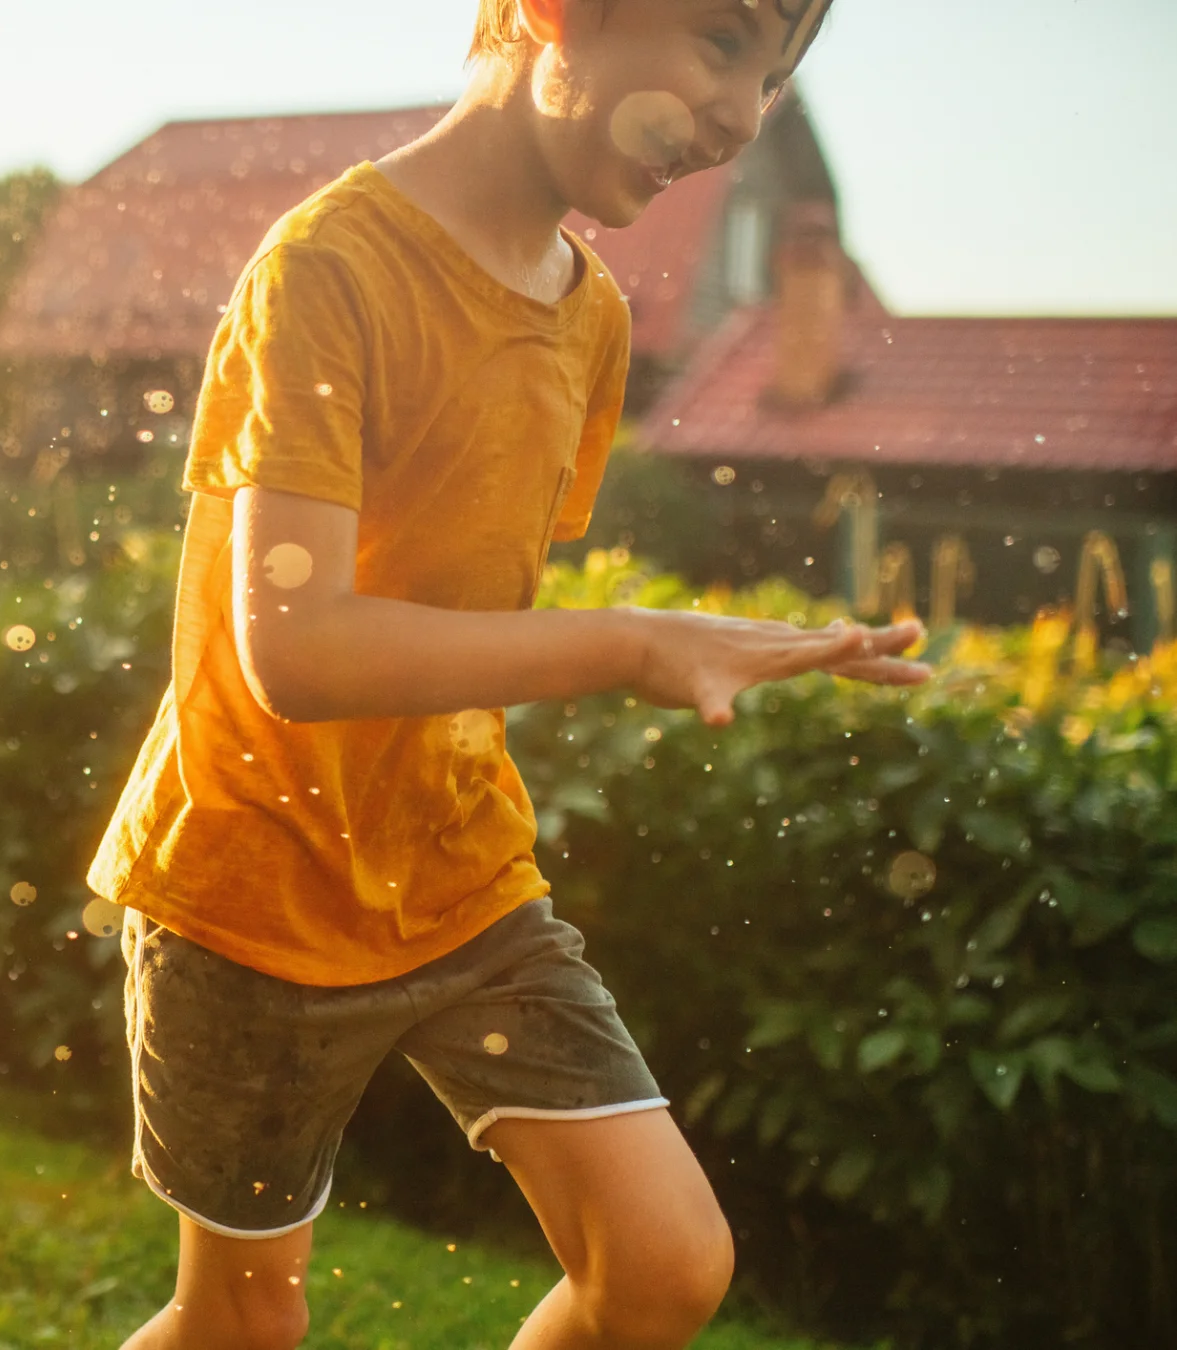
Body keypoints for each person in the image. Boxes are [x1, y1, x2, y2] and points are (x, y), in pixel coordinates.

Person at [90, 2, 919, 1346]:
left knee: (658, 1266)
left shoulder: (590, 319)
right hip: (251, 884)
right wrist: (631, 638)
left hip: (459, 871)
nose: (744, 114)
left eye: (772, 77)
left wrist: (694, 633)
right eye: (722, 42)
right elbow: (296, 649)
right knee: (242, 1321)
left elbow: (463, 609)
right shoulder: (326, 268)